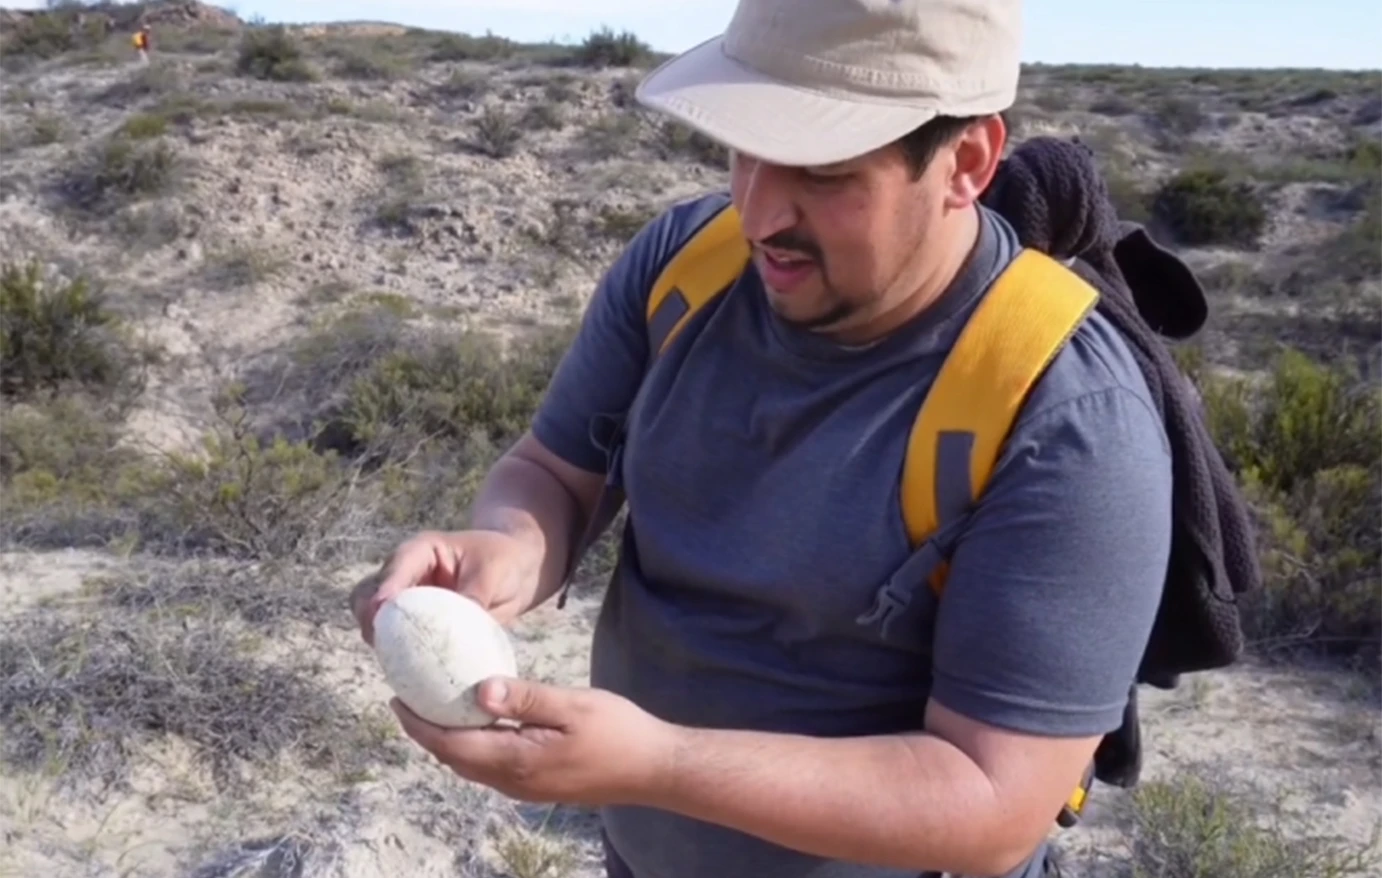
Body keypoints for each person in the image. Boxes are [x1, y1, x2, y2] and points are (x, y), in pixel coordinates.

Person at [351, 1, 1175, 876]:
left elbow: (993, 803)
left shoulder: (1064, 415)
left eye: (821, 169)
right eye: (745, 147)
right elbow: (554, 472)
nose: (759, 210)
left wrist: (659, 765)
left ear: (964, 162)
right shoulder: (686, 266)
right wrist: (507, 550)